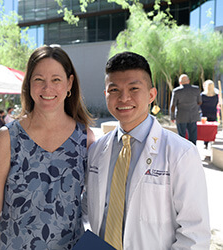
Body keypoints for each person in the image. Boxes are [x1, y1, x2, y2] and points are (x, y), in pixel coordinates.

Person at [86, 52, 210, 249]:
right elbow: (89, 211)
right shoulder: (96, 150)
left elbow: (195, 235)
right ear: (106, 95)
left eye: (134, 88)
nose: (124, 98)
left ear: (151, 94)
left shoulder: (181, 154)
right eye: (114, 90)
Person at [0, 45, 95, 249]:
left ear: (69, 83)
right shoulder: (7, 138)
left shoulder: (85, 139)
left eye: (56, 80)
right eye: (39, 79)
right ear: (29, 84)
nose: (47, 88)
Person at [170, 74, 202, 145]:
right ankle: (193, 152)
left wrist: (172, 117)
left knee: (181, 137)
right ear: (189, 81)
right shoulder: (196, 89)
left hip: (181, 116)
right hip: (193, 116)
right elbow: (199, 102)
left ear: (180, 82)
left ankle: (182, 153)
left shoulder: (176, 91)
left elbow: (173, 105)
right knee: (193, 136)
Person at [200, 79, 219, 148]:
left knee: (205, 129)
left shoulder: (202, 95)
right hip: (213, 113)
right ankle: (212, 141)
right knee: (212, 128)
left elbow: (199, 104)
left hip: (204, 114)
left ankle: (205, 143)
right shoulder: (216, 96)